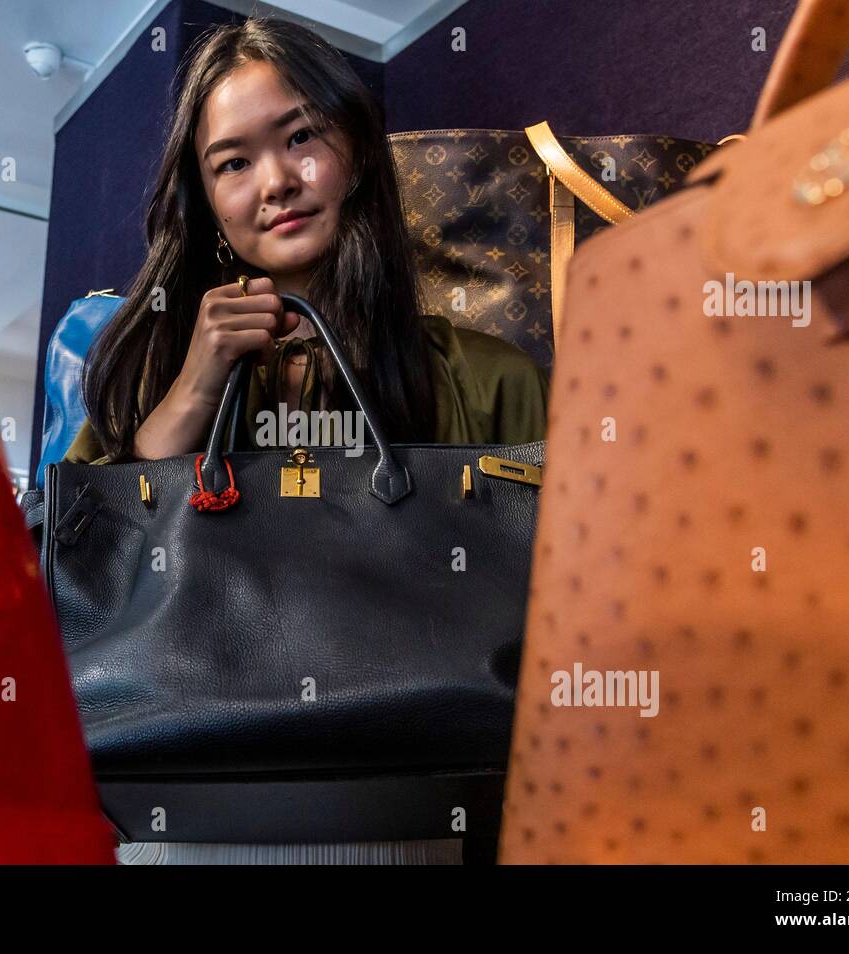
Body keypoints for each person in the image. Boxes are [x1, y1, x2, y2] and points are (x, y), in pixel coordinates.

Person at [63, 16, 549, 864]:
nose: (277, 181)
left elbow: (565, 597)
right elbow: (88, 559)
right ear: (206, 199)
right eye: (234, 162)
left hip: (417, 814)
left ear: (356, 152)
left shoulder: (483, 375)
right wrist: (194, 386)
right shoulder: (145, 367)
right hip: (181, 817)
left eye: (300, 138)